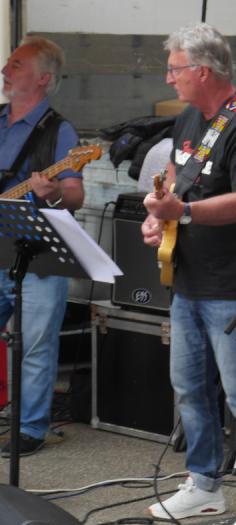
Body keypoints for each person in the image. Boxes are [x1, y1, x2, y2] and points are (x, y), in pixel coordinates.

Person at [140, 23, 236, 525]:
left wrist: (183, 213)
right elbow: (178, 183)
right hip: (189, 279)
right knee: (190, 388)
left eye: (174, 69)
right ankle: (202, 484)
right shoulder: (188, 120)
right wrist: (158, 216)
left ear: (202, 71)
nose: (168, 78)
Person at [0, 36, 85, 458]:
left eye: (16, 65)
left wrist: (50, 193)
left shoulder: (60, 131)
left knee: (35, 344)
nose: (5, 70)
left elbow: (75, 195)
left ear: (43, 78)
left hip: (37, 254)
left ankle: (30, 428)